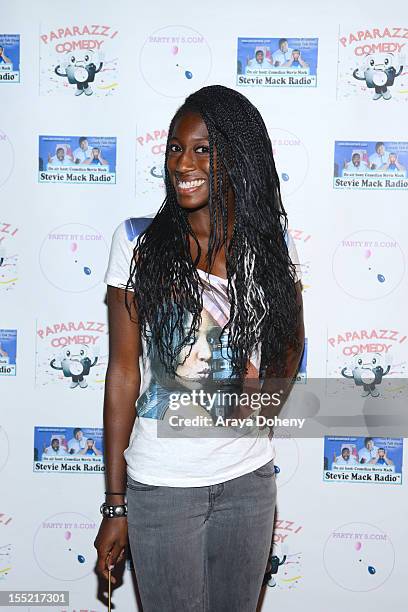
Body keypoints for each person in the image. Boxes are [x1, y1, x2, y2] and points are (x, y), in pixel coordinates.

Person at [94, 85, 304, 611]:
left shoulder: (271, 243)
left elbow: (291, 343)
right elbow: (123, 375)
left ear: (234, 155)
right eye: (174, 148)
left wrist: (260, 405)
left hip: (248, 483)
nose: (183, 162)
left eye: (203, 149)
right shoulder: (138, 242)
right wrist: (115, 505)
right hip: (161, 486)